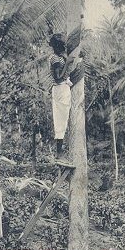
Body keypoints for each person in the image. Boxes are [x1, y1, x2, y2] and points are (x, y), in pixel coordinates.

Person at [49, 33, 75, 165]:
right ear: (57, 47)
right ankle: (59, 153)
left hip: (62, 88)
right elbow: (59, 77)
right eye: (62, 46)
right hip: (60, 88)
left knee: (63, 120)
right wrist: (68, 62)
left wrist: (65, 59)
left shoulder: (58, 57)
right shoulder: (55, 59)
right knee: (61, 121)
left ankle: (60, 152)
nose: (64, 48)